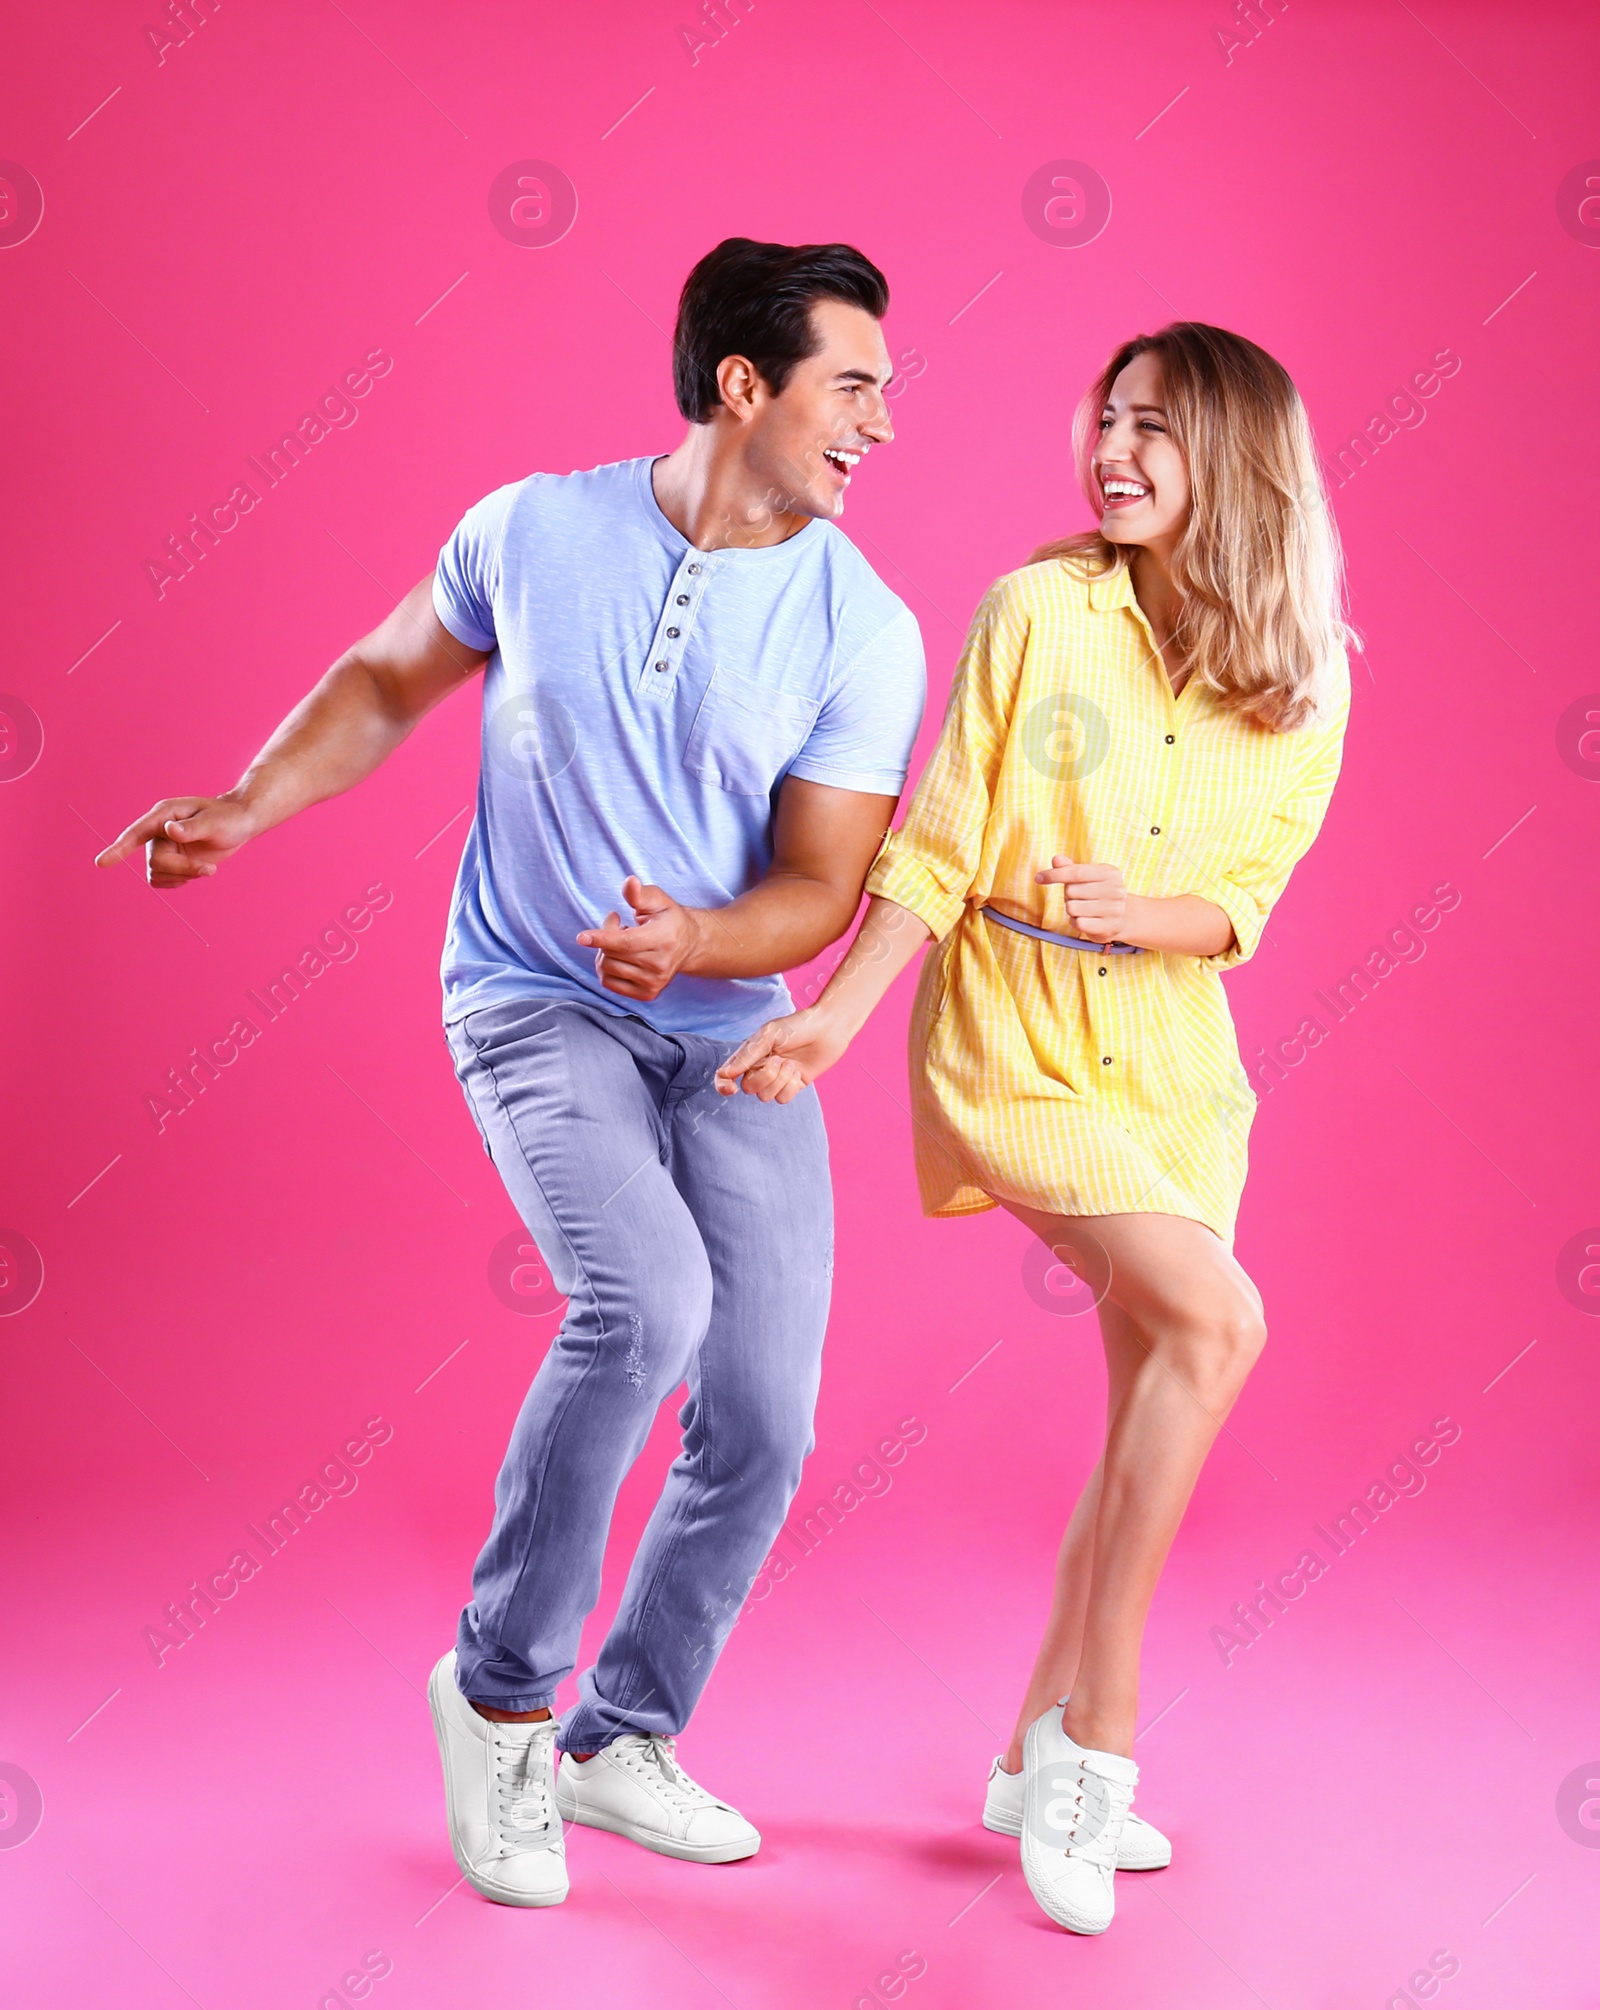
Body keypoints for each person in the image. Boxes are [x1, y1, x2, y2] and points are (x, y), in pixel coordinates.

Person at [97, 238, 925, 1908]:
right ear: (744, 386)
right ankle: (498, 1692)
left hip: (726, 1021)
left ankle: (622, 1738)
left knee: (763, 1416)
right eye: (856, 387)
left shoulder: (867, 624)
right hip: (534, 998)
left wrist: (698, 939)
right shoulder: (535, 529)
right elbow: (388, 677)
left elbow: (827, 884)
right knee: (647, 1309)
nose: (883, 427)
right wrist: (247, 804)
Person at [718, 322, 1352, 1935]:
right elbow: (934, 846)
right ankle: (1097, 1746)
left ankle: (1019, 1749)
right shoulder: (1033, 610)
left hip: (1175, 1068)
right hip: (1015, 1039)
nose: (1115, 452)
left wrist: (1144, 907)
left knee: (1157, 1384)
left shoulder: (1306, 671)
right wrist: (836, 1020)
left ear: (1243, 464)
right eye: (1110, 418)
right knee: (1222, 1323)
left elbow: (1247, 904)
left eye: (1158, 430)